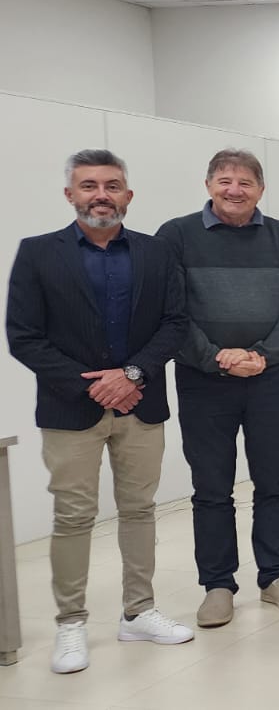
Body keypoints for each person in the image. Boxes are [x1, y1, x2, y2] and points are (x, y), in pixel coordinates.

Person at [6, 149, 193, 674]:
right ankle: (71, 623)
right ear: (70, 194)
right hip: (70, 409)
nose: (101, 195)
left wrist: (132, 375)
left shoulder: (157, 252)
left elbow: (176, 323)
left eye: (112, 186)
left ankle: (139, 612)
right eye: (89, 186)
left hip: (142, 403)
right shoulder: (38, 253)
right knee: (72, 516)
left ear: (128, 195)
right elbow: (24, 336)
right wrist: (96, 388)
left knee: (139, 509)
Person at [155, 148, 279, 629]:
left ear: (261, 190)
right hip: (203, 380)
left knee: (274, 479)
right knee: (211, 486)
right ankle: (218, 584)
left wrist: (262, 354)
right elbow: (169, 309)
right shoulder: (176, 235)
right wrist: (215, 357)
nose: (234, 189)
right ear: (208, 185)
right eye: (224, 180)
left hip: (272, 378)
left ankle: (275, 574)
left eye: (246, 182)